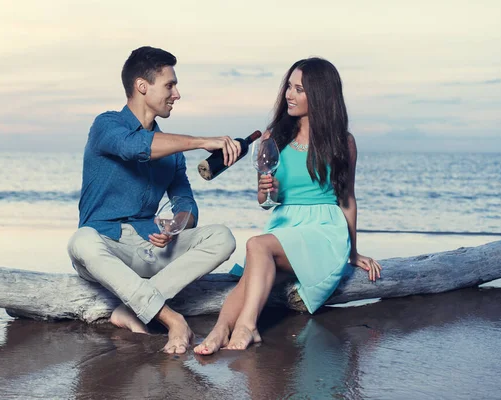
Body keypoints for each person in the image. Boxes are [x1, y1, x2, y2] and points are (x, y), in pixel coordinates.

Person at [194, 57, 382, 354]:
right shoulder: (272, 138)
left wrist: (353, 252)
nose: (289, 95)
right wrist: (266, 191)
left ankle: (246, 327)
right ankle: (219, 330)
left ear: (320, 95)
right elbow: (266, 203)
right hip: (284, 227)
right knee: (248, 276)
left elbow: (346, 199)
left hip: (324, 230)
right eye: (289, 87)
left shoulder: (343, 142)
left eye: (299, 89)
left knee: (257, 246)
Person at [67, 46, 240, 354]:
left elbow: (186, 204)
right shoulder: (106, 125)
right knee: (81, 241)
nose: (177, 94)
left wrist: (177, 225)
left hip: (150, 251)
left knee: (222, 237)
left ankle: (132, 310)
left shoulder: (171, 155)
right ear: (142, 86)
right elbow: (135, 147)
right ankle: (171, 319)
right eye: (170, 85)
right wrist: (202, 142)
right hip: (107, 250)